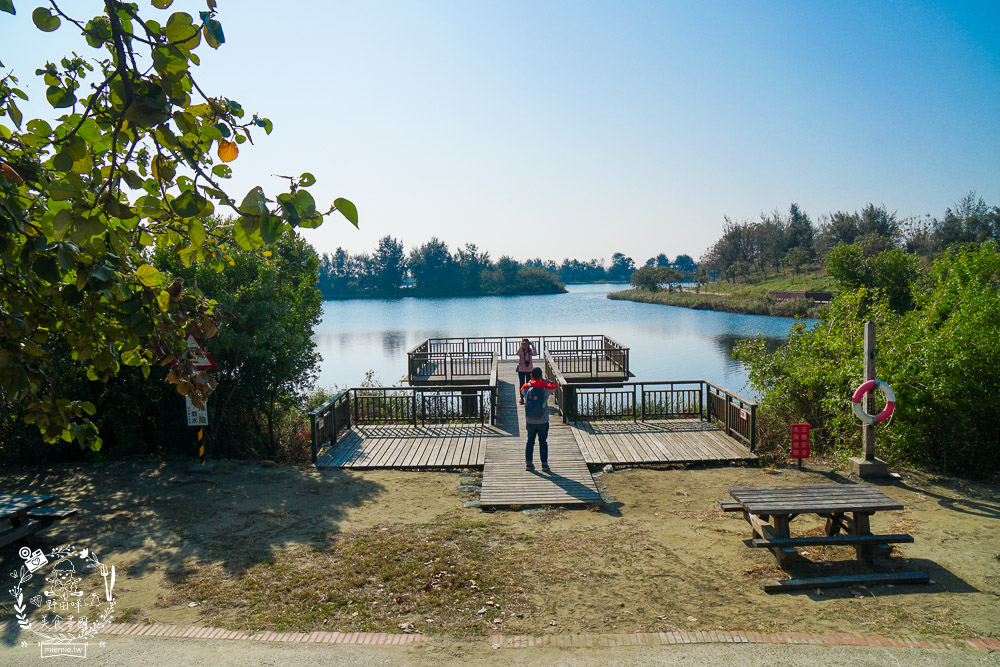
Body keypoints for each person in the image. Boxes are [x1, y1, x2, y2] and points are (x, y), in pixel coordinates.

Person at [520, 367, 558, 472]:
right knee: (543, 442)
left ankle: (529, 464)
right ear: (541, 376)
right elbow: (555, 386)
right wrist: (545, 381)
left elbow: (522, 390)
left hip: (530, 420)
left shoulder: (526, 388)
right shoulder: (545, 388)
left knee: (530, 442)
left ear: (531, 376)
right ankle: (544, 465)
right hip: (543, 420)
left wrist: (530, 381)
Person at [516, 339, 536, 403]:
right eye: (524, 344)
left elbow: (535, 353)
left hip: (529, 369)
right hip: (521, 369)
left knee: (528, 384)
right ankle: (521, 398)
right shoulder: (521, 351)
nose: (525, 345)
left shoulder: (530, 351)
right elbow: (517, 353)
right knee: (521, 384)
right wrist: (521, 346)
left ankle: (528, 397)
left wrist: (532, 345)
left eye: (526, 344)